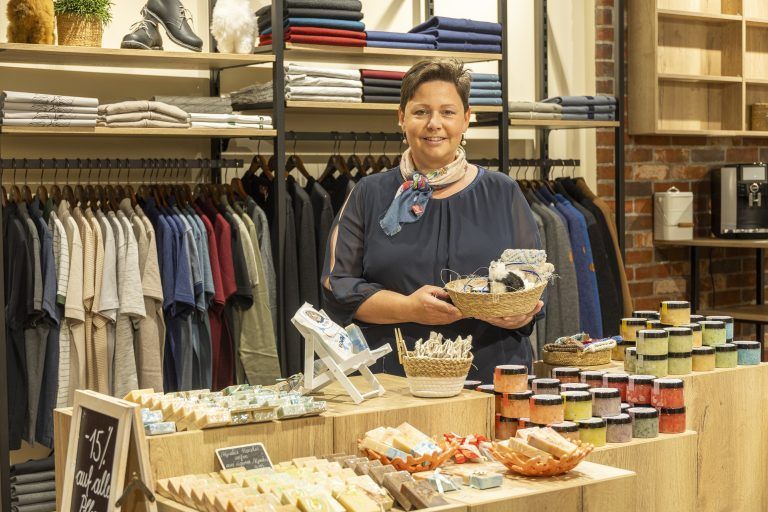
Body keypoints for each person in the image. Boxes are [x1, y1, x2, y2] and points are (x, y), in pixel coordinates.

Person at [320, 58, 544, 382]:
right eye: (421, 111)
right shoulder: (369, 194)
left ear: (466, 119)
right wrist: (409, 308)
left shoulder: (504, 193)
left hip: (491, 377)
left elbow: (532, 284)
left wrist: (514, 314)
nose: (434, 123)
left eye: (448, 112)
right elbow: (337, 287)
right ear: (402, 118)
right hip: (394, 381)